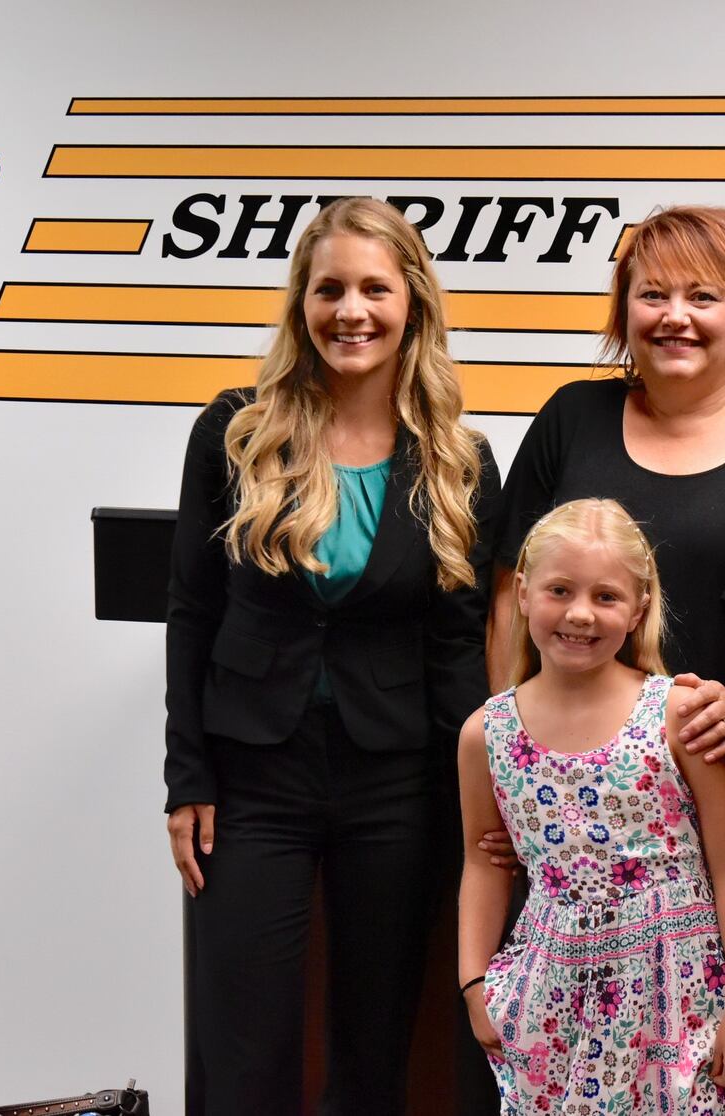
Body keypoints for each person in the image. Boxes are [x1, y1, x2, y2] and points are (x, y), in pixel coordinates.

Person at [163, 197, 498, 1114]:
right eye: (330, 289)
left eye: (375, 289)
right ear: (301, 305)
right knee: (246, 1035)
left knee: (377, 1035)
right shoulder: (235, 431)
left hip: (396, 782)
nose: (352, 311)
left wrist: (482, 808)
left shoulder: (459, 459)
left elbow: (458, 643)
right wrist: (186, 777)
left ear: (414, 303)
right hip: (251, 777)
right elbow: (191, 611)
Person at [489, 205, 725, 936]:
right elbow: (509, 601)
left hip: (723, 801)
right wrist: (513, 767)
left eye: (703, 296)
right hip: (564, 805)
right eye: (653, 295)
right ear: (625, 308)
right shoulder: (572, 419)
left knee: (705, 1042)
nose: (676, 317)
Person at [459, 498, 725, 1114]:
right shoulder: (486, 733)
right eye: (559, 590)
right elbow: (484, 859)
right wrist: (475, 985)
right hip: (549, 1007)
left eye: (606, 596)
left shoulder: (678, 714)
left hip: (681, 999)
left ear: (640, 607)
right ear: (522, 594)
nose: (580, 613)